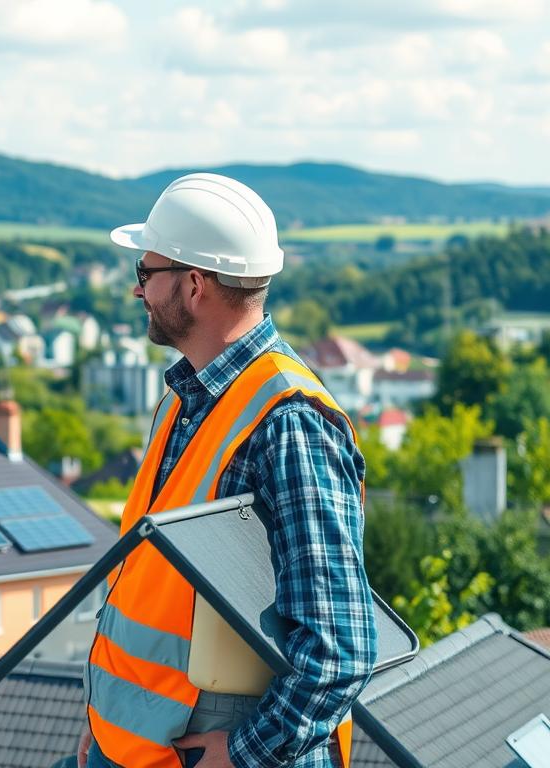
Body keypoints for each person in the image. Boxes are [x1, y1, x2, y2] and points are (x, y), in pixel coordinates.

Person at [76, 173, 377, 768]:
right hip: (142, 742)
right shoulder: (189, 397)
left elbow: (342, 649)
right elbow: (147, 588)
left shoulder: (288, 422)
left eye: (146, 271)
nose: (138, 291)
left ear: (193, 284)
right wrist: (107, 725)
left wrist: (244, 755)